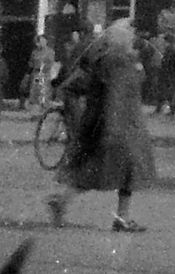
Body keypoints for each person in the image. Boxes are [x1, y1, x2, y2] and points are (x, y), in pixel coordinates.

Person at [48, 16, 157, 232]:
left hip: (109, 124)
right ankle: (119, 217)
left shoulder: (105, 60)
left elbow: (79, 86)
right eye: (129, 36)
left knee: (102, 171)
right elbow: (117, 96)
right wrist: (114, 128)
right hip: (122, 126)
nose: (132, 40)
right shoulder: (120, 62)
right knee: (122, 171)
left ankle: (63, 202)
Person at [23, 35, 52, 112]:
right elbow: (31, 63)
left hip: (44, 74)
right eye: (40, 41)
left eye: (43, 41)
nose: (41, 43)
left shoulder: (50, 52)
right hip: (35, 73)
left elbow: (50, 63)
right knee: (34, 90)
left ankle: (44, 107)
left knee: (43, 91)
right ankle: (33, 108)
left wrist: (44, 68)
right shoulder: (35, 52)